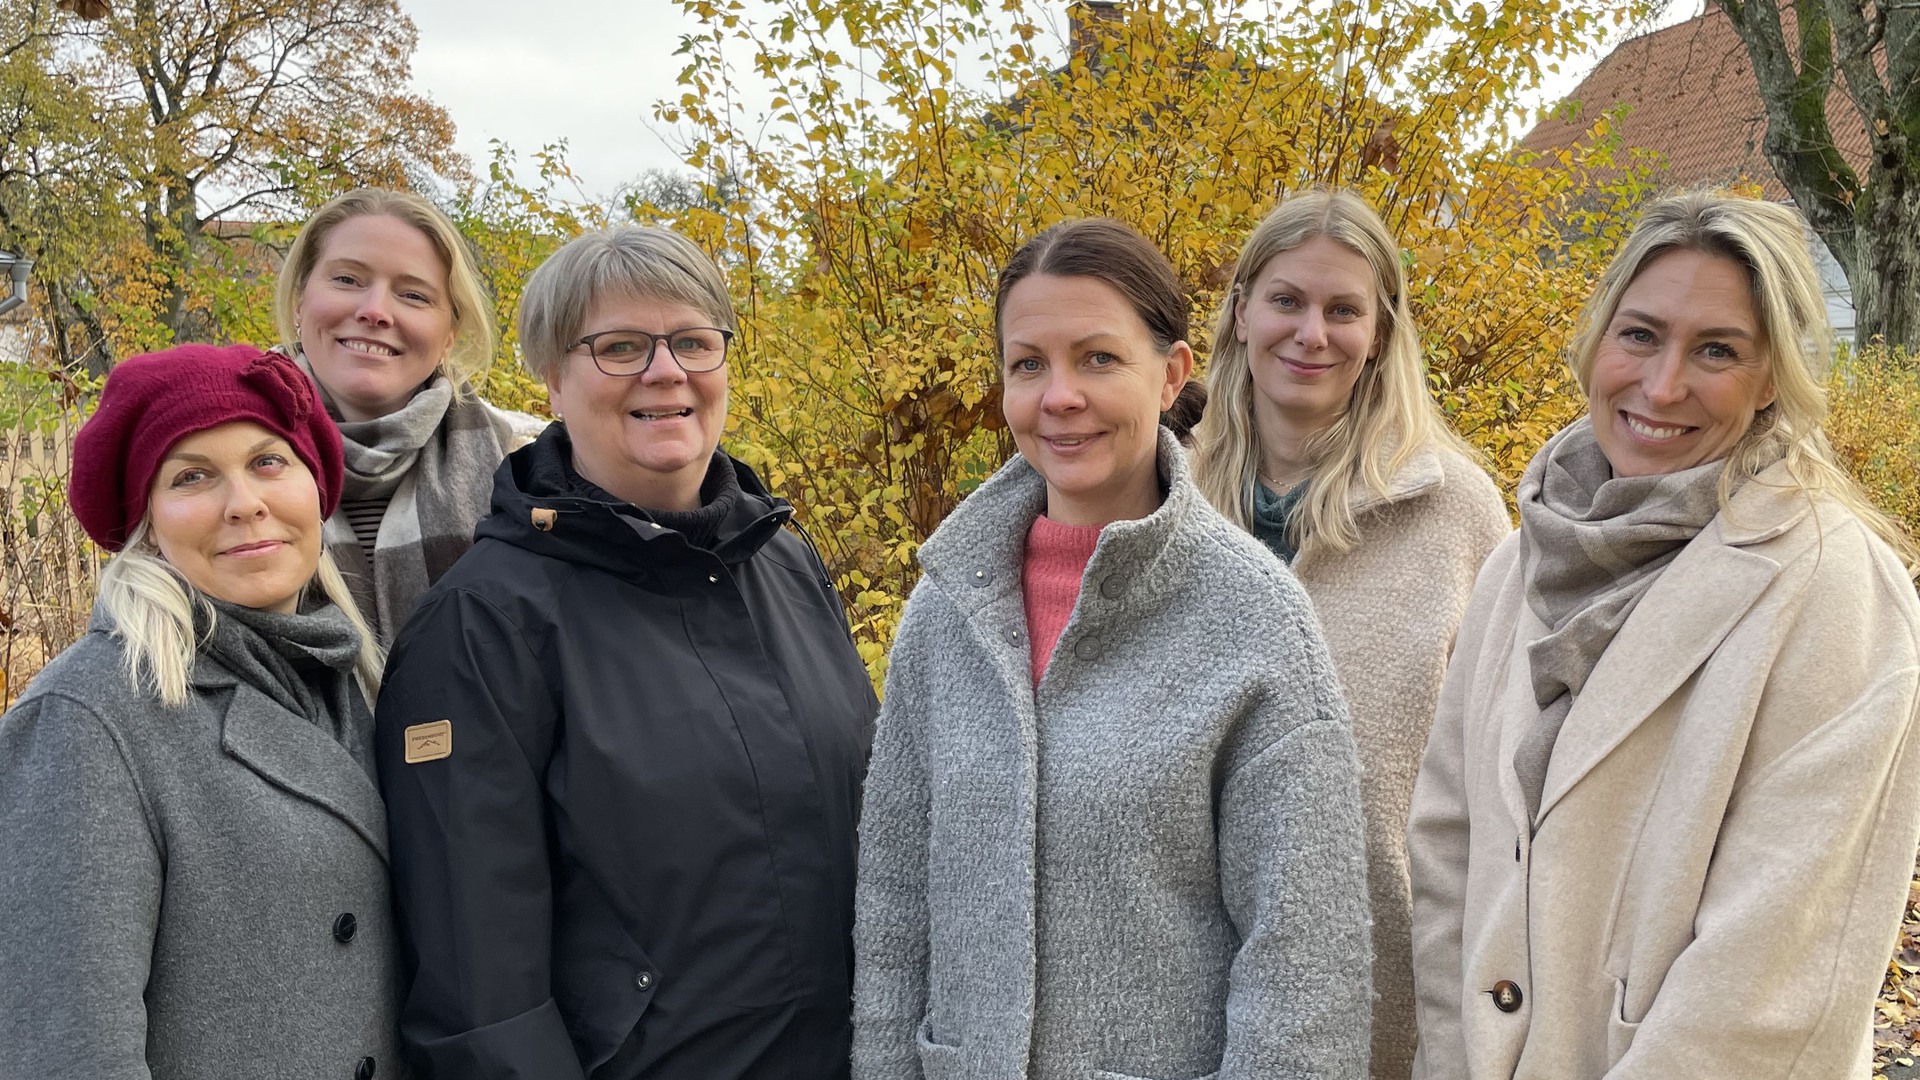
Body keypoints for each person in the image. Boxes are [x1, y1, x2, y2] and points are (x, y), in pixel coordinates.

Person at [1406, 191, 1920, 1078]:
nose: (1663, 383)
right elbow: (1448, 844)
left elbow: (1771, 979)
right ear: (1597, 341)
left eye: (1717, 350)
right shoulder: (1523, 556)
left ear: (1773, 380)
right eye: (1639, 334)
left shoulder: (1837, 591)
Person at [852, 218, 1372, 1080]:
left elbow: (1304, 960)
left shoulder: (1252, 617)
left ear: (1170, 375)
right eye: (1029, 364)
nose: (1059, 395)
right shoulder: (946, 609)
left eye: (1098, 358)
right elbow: (895, 906)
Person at [374, 224, 879, 1080]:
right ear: (552, 377)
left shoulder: (786, 561)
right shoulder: (481, 626)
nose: (665, 371)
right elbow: (479, 1000)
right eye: (619, 348)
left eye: (692, 341)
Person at [0, 344, 399, 1080]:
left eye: (269, 462)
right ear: (146, 525)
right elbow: (68, 1050)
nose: (245, 501)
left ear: (316, 486)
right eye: (192, 476)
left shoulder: (359, 682)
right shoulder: (89, 716)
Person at [1189, 188, 1509, 1078]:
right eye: (1287, 300)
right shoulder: (1156, 505)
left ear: (1380, 333)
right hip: (1180, 972)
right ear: (1242, 309)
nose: (1311, 333)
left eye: (1343, 310)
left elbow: (1508, 762)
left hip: (1386, 974)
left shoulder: (1453, 511)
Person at [276, 187, 542, 644]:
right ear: (301, 302)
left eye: (414, 295)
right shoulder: (214, 455)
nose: (375, 310)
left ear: (449, 336)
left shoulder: (527, 468)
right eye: (347, 280)